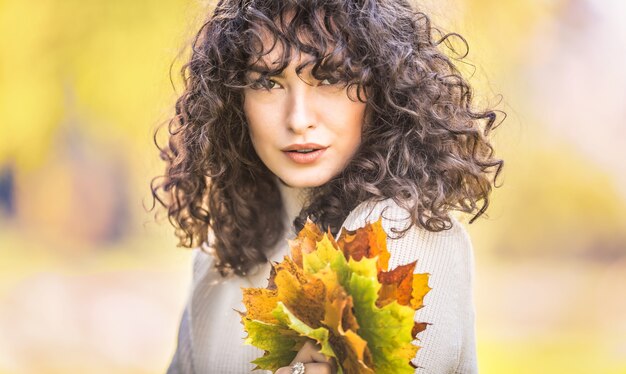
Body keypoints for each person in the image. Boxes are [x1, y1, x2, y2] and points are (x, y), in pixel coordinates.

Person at [151, 0, 504, 373]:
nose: (299, 119)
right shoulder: (217, 257)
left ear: (383, 88)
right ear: (232, 100)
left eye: (330, 78)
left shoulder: (403, 232)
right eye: (266, 82)